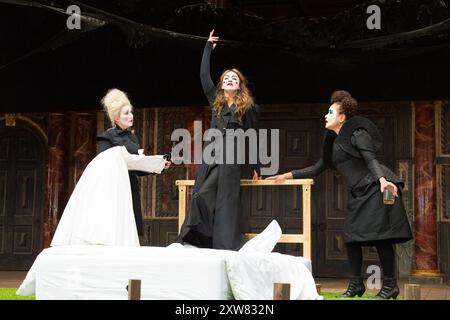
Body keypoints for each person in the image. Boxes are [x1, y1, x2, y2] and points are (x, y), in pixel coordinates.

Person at [267, 91, 413, 299]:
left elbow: (370, 158)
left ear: (342, 117)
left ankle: (390, 285)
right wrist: (286, 175)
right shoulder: (334, 144)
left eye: (330, 112)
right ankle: (356, 285)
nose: (325, 116)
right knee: (351, 238)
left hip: (376, 187)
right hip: (358, 192)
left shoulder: (358, 133)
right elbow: (317, 167)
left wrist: (382, 180)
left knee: (382, 238)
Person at [177, 30, 261, 250]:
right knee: (202, 195)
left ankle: (225, 244)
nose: (230, 80)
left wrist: (256, 165)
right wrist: (207, 49)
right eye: (226, 78)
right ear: (222, 85)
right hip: (212, 155)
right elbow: (204, 76)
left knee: (226, 202)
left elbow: (253, 135)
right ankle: (199, 238)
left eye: (234, 78)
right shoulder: (217, 102)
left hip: (232, 160)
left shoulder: (248, 107)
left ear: (239, 85)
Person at [96, 89, 171, 244]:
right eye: (126, 113)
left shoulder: (133, 137)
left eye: (131, 112)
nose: (131, 116)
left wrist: (159, 165)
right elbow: (103, 162)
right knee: (115, 225)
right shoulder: (107, 137)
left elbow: (137, 166)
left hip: (130, 185)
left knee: (131, 226)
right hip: (114, 187)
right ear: (116, 117)